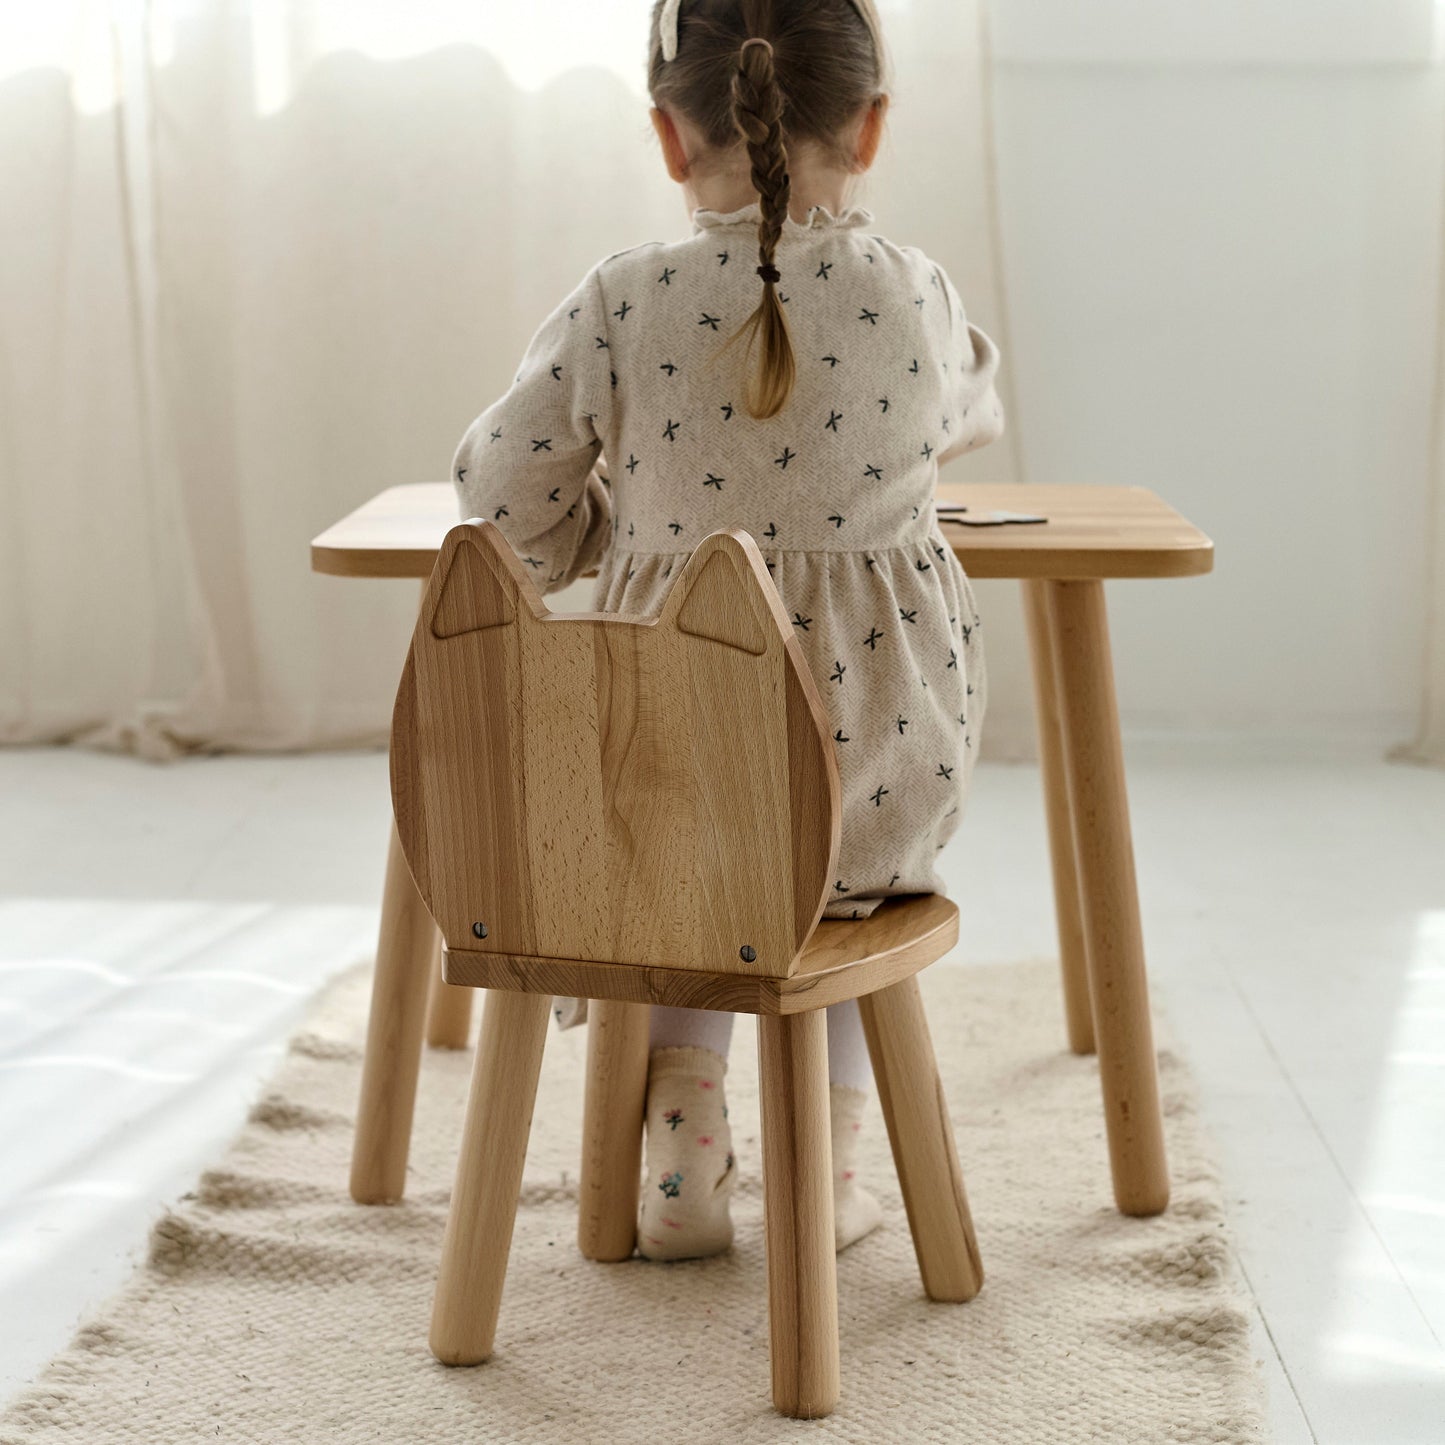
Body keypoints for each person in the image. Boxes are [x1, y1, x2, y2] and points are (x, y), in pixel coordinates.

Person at [451, 0, 1004, 1262]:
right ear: (868, 126)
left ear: (665, 133)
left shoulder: (620, 299)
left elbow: (499, 491)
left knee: (684, 880)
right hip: (875, 786)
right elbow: (966, 403)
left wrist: (611, 544)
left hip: (664, 778)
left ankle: (683, 1156)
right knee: (847, 911)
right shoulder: (912, 292)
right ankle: (831, 1166)